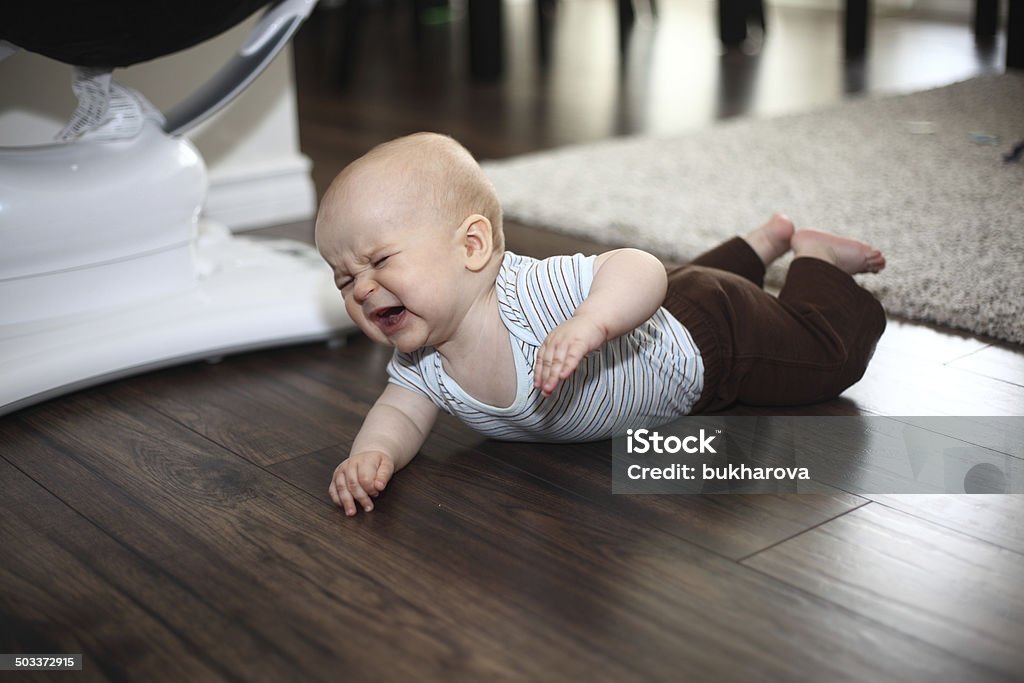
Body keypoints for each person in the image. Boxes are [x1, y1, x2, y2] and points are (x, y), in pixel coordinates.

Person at [315, 132, 887, 516]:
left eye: (380, 261)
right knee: (688, 280)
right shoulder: (421, 359)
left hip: (713, 342)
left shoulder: (528, 293)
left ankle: (816, 259)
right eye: (344, 280)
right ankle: (760, 244)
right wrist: (373, 455)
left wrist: (590, 322)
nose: (362, 288)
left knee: (822, 355)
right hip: (672, 307)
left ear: (472, 245)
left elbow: (637, 267)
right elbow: (399, 412)